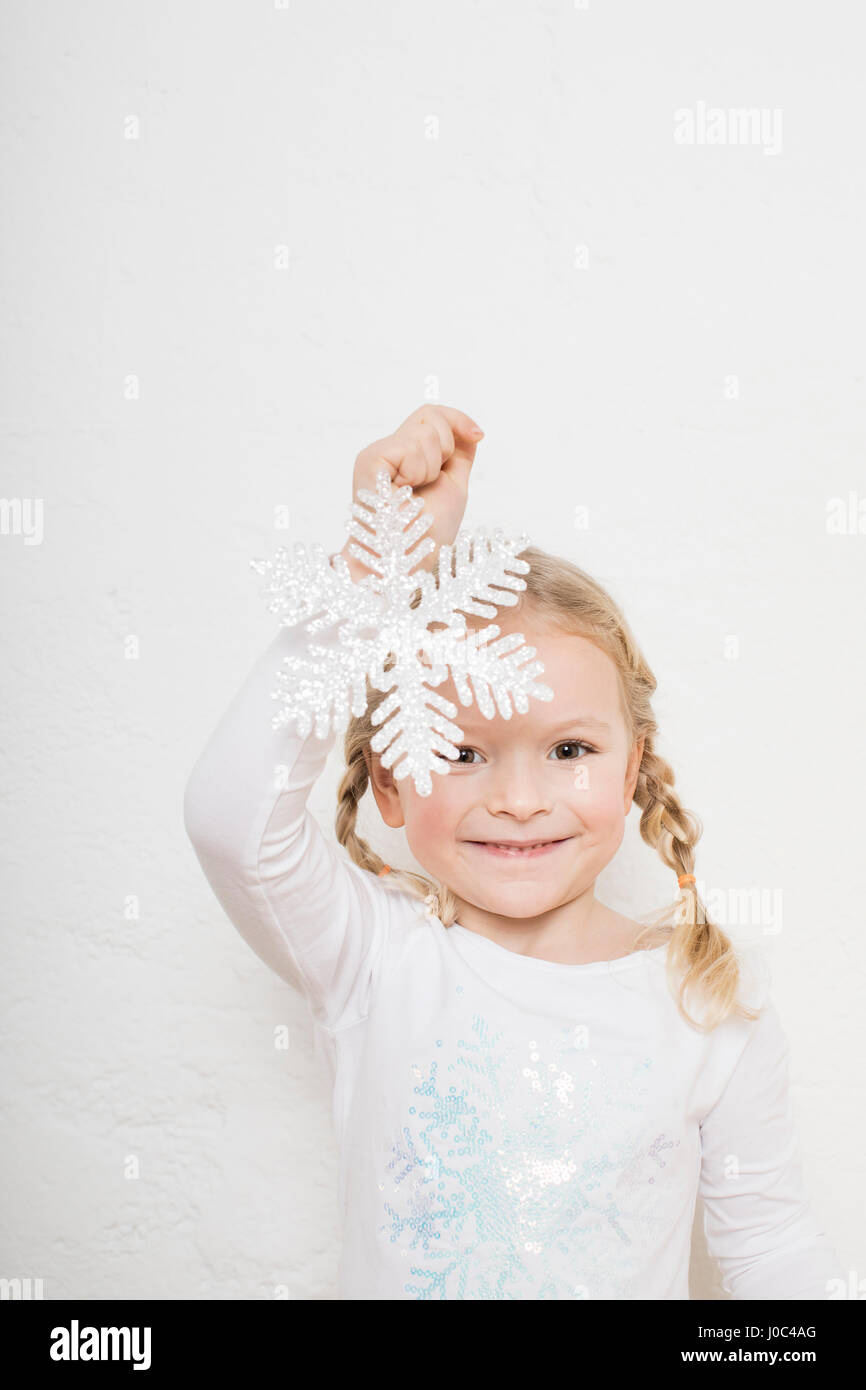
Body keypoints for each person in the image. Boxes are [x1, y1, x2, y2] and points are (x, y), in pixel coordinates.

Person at [183, 404, 843, 1300]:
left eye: (570, 750)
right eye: (459, 753)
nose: (520, 801)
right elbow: (232, 819)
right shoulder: (376, 955)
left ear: (632, 767)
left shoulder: (706, 1003)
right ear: (388, 779)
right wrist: (371, 584)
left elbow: (770, 1255)